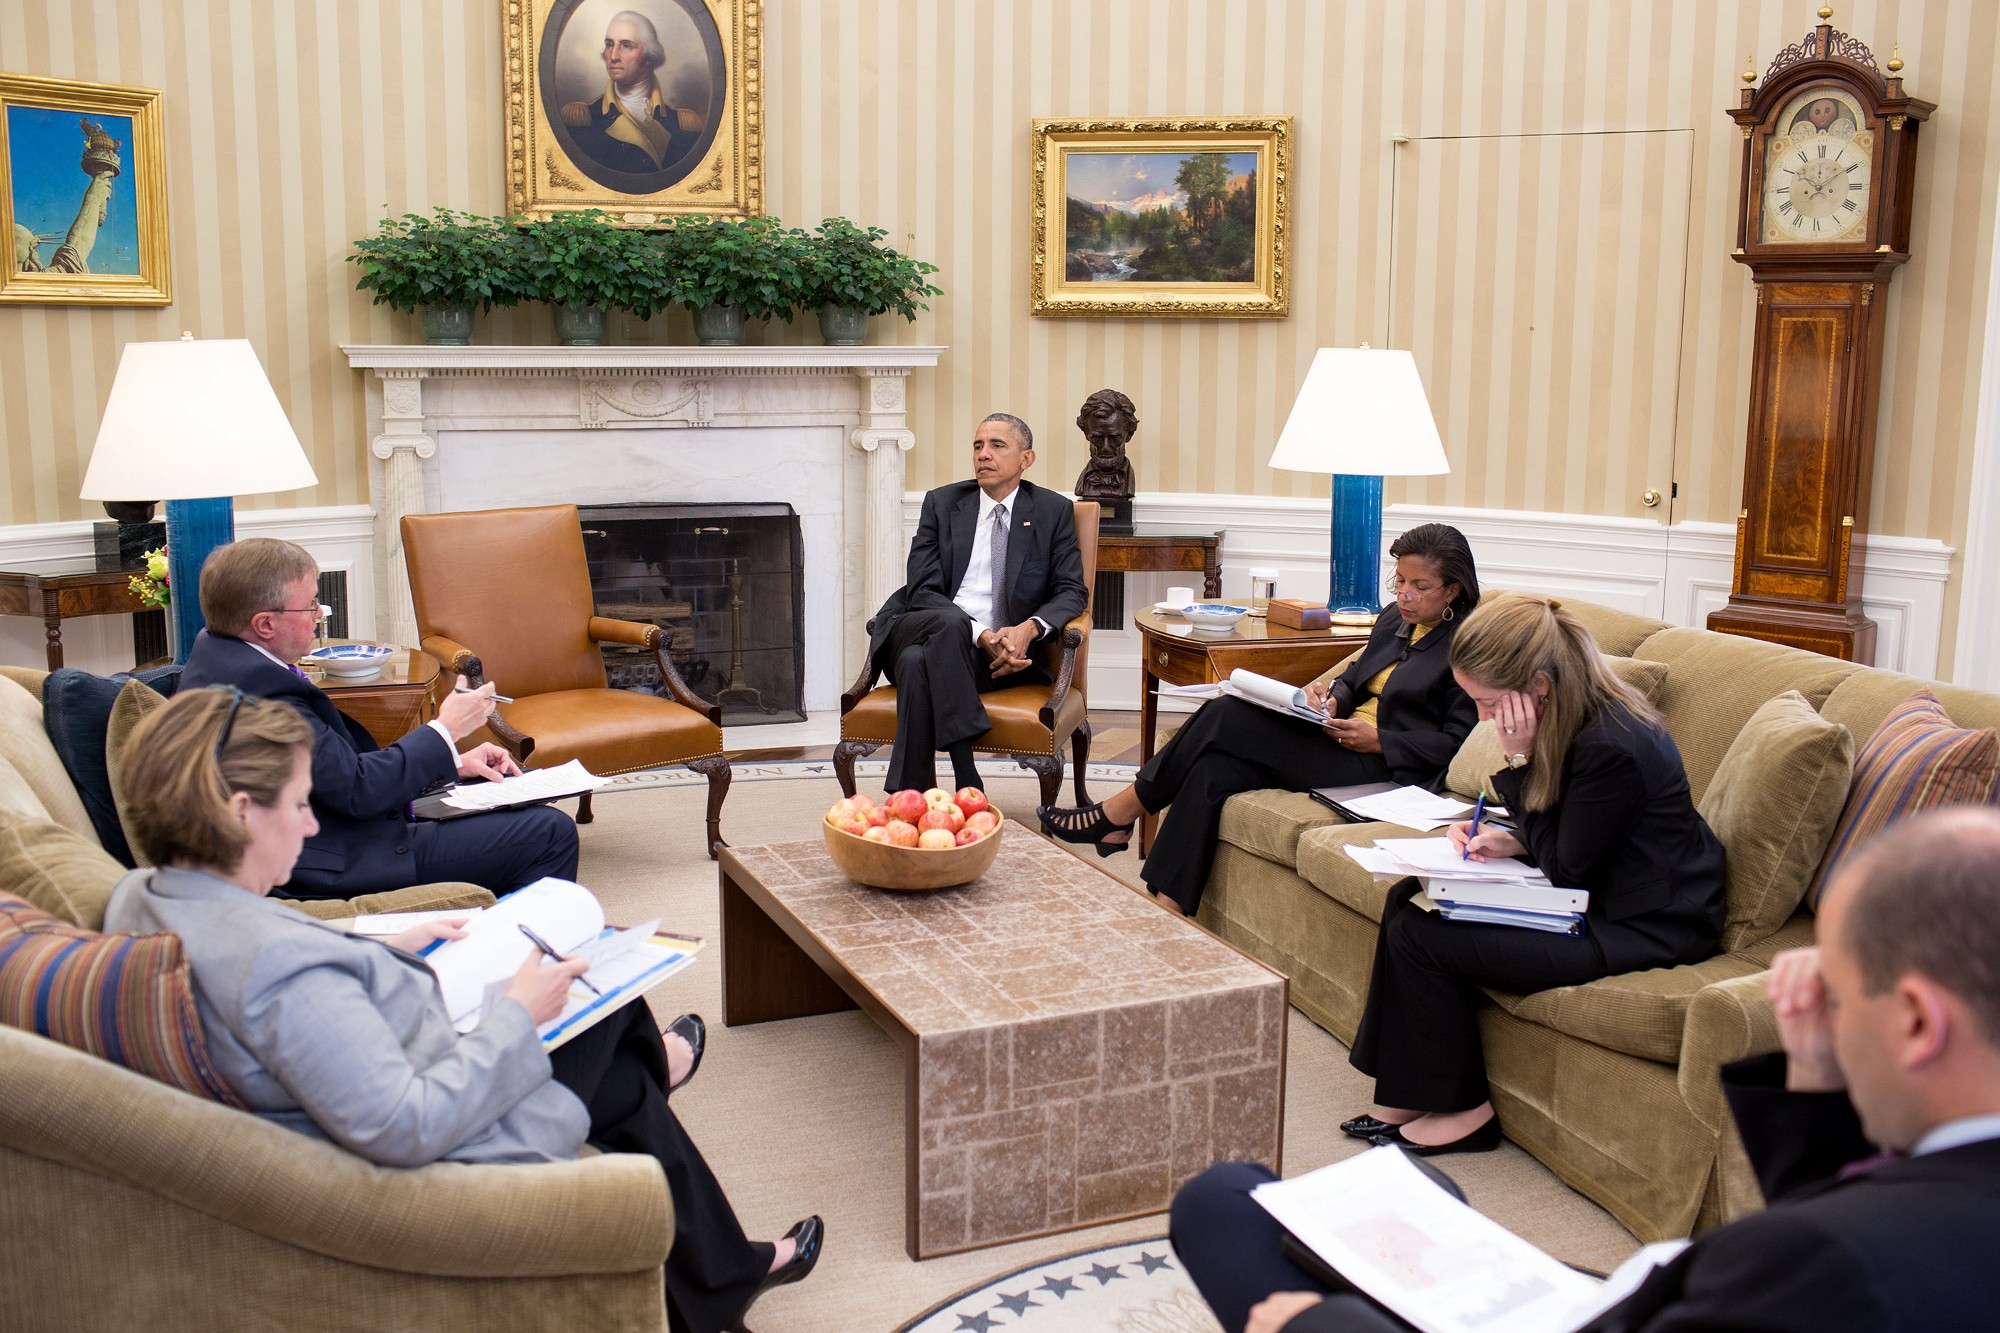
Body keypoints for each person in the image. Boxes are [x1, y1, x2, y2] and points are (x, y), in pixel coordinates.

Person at [103, 689, 822, 1333]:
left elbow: (265, 946)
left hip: (397, 1041)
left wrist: (384, 942)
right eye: (298, 805)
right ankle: (715, 1244)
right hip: (445, 1142)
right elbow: (405, 1124)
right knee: (598, 1003)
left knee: (615, 1059)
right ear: (239, 812)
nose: (312, 827)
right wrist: (516, 1012)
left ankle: (720, 1276)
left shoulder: (143, 895)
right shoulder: (278, 975)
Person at [1169, 806, 2000, 1332]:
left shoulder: (1826, 1262)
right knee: (1420, 1205)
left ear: (1920, 1021)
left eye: (1842, 996)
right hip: (1632, 1294)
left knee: (1224, 1200)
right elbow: (1873, 1215)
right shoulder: (1892, 1227)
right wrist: (1819, 1075)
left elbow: (1842, 1255)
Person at [1339, 594, 1725, 1153]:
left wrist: (1519, 760)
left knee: (1424, 938)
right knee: (1408, 899)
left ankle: (1465, 1111)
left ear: (1538, 687)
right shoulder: (1577, 714)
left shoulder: (1611, 743)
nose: (1483, 719)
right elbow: (1578, 834)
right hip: (1599, 893)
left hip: (1643, 924)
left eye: (1489, 704)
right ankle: (1409, 1090)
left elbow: (1570, 868)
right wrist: (1513, 840)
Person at [1040, 523, 1483, 916]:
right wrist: (1329, 696)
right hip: (1336, 739)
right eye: (1400, 581)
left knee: (1226, 713)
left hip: (1385, 770)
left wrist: (1381, 740)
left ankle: (1119, 813)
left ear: (1453, 589)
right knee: (1213, 768)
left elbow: (1456, 742)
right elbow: (1353, 675)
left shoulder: (1468, 646)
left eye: (1420, 586)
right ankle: (1168, 909)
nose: (1404, 594)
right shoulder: (1394, 620)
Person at [179, 538, 579, 900]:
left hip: (331, 827)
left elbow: (333, 773)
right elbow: (357, 790)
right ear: (264, 624)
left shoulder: (222, 657)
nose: (319, 614)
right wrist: (447, 729)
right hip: (334, 858)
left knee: (518, 812)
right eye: (310, 605)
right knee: (549, 833)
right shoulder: (262, 692)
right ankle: (523, 960)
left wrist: (452, 762)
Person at [864, 413, 1089, 793]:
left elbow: (1072, 590)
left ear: (1026, 459)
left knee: (917, 664)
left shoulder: (1052, 511)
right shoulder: (943, 503)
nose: (983, 454)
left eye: (997, 445)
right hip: (916, 624)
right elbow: (921, 589)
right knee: (950, 625)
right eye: (978, 445)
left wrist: (1028, 628)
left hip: (990, 658)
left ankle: (909, 795)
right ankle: (966, 773)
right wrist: (980, 632)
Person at [559, 9, 705, 183]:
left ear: (649, 56)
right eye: (609, 44)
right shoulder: (583, 120)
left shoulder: (683, 124)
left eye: (626, 46)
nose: (613, 56)